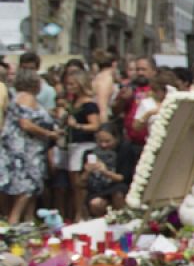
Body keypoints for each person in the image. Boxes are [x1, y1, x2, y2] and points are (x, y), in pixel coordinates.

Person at [0, 70, 62, 223]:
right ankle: (13, 221)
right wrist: (49, 133)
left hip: (24, 149)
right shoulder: (27, 98)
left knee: (31, 188)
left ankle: (28, 220)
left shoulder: (20, 98)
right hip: (26, 150)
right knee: (28, 187)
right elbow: (25, 124)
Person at [61, 73, 101, 222]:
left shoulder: (89, 104)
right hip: (72, 145)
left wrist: (77, 125)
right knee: (73, 183)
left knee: (81, 182)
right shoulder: (73, 102)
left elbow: (95, 125)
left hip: (84, 145)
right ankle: (78, 211)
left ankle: (82, 213)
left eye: (72, 84)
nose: (69, 87)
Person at [82, 126, 131, 216]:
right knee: (95, 203)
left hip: (117, 185)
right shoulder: (90, 153)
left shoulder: (124, 150)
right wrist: (87, 171)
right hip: (98, 189)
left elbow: (122, 178)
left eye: (107, 141)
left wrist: (104, 171)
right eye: (100, 141)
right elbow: (80, 183)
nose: (103, 145)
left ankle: (123, 219)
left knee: (118, 193)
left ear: (116, 139)